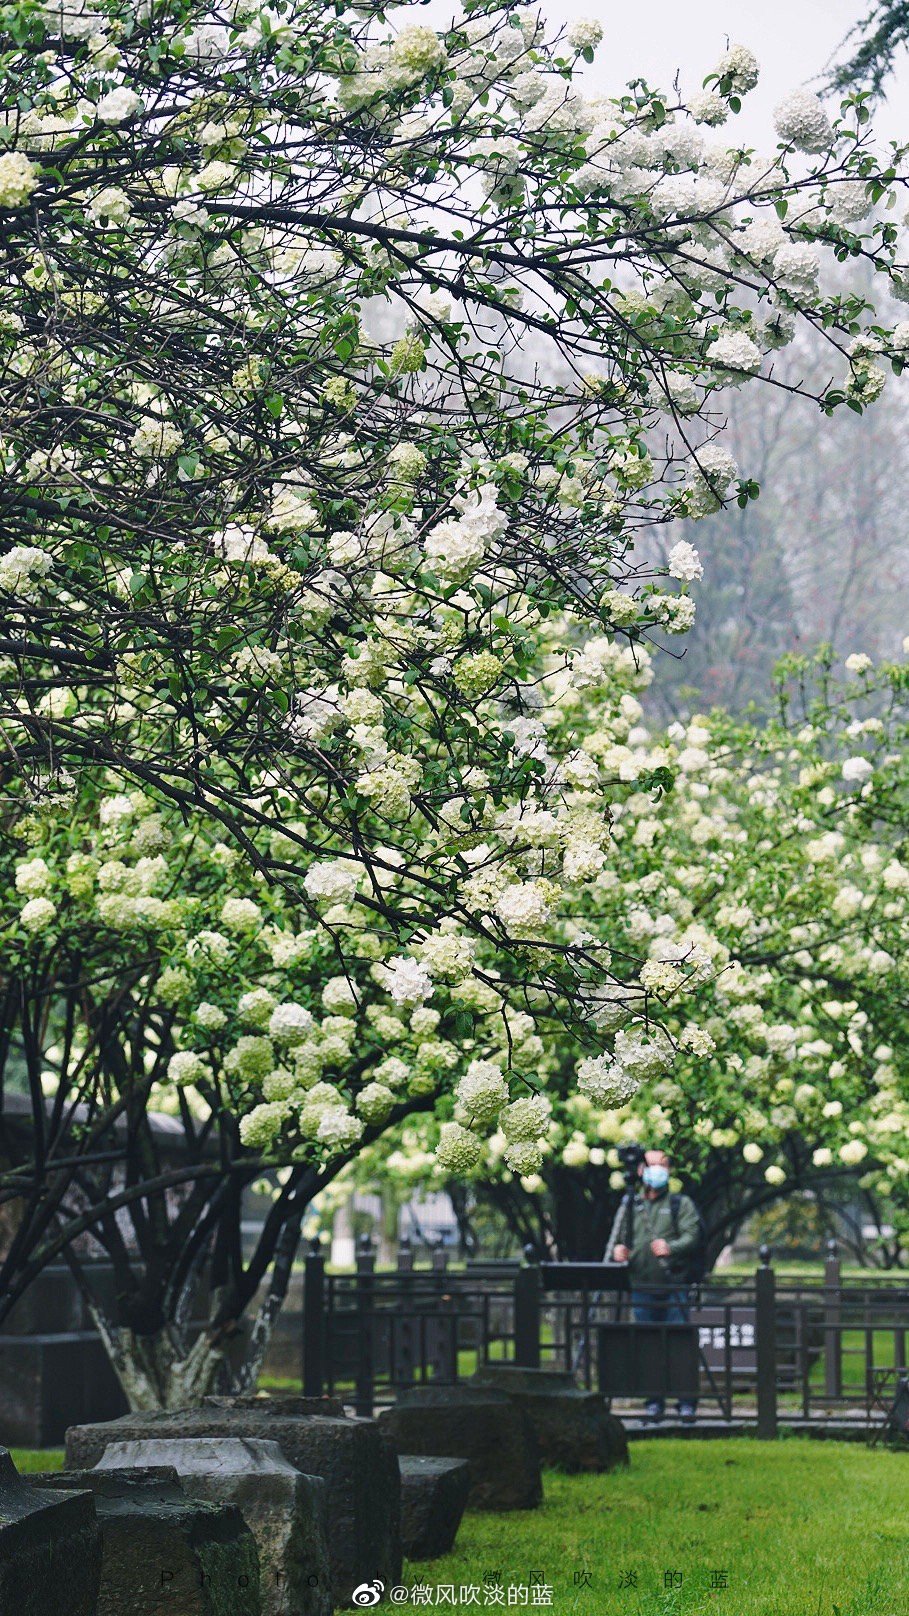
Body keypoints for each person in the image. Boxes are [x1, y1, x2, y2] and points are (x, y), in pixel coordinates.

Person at [607, 1147, 701, 1424]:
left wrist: (670, 1247)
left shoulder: (679, 1204)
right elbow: (615, 1241)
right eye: (651, 1165)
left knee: (678, 1342)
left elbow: (692, 1235)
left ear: (669, 1171)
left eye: (663, 1165)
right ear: (640, 1171)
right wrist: (618, 1252)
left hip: (674, 1285)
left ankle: (686, 1403)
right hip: (641, 1285)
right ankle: (653, 1403)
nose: (656, 1170)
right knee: (647, 1344)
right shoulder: (630, 1206)